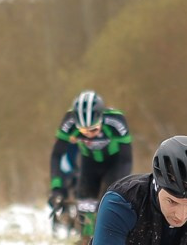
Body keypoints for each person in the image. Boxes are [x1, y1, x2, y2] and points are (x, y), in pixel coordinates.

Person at [48, 90, 132, 223]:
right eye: (83, 131)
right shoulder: (68, 121)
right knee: (85, 209)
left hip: (115, 163)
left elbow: (126, 159)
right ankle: (84, 238)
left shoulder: (116, 121)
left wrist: (119, 187)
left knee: (107, 205)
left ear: (101, 119)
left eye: (93, 129)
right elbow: (57, 155)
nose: (88, 134)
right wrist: (57, 187)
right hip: (89, 163)